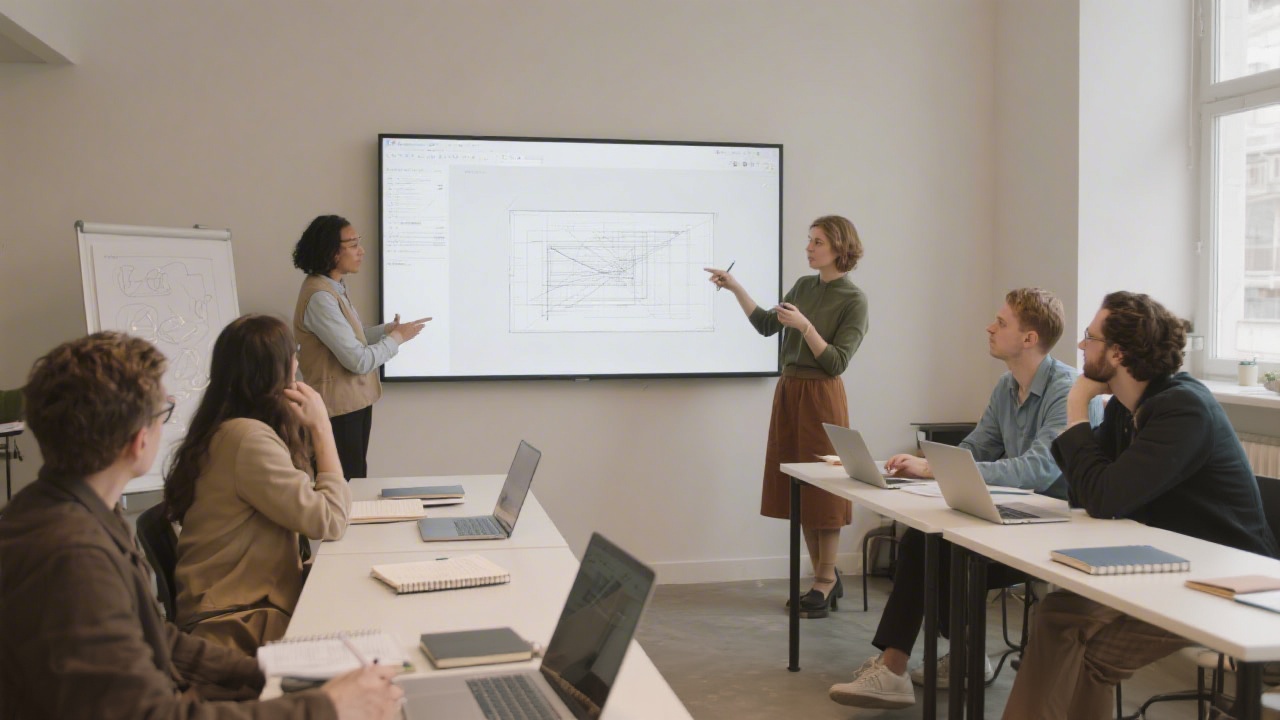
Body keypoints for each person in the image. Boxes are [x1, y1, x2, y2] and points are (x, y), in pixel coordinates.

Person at [0, 331, 402, 719]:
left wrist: (272, 670)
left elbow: (161, 640)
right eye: (164, 411)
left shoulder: (72, 513)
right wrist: (327, 708)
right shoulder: (72, 557)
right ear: (139, 441)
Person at [1001, 291, 1278, 719]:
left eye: (1089, 337)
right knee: (1057, 615)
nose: (1080, 346)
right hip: (1165, 568)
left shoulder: (1183, 409)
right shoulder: (1125, 409)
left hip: (1223, 581)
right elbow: (1087, 493)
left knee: (1100, 655)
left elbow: (1104, 497)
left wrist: (1076, 406)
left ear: (1117, 353)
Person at [828, 287, 1094, 710]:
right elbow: (977, 447)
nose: (990, 327)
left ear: (1028, 338)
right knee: (926, 539)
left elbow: (1040, 469)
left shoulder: (1066, 390)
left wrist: (937, 470)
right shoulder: (1008, 387)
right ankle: (929, 663)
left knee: (935, 548)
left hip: (1055, 530)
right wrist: (922, 462)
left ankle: (919, 665)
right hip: (1015, 519)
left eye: (1002, 322)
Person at [706, 215, 869, 620]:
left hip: (821, 396)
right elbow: (766, 325)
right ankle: (823, 575)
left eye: (817, 242)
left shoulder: (854, 299)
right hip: (790, 392)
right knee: (799, 487)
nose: (809, 248)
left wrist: (806, 326)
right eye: (809, 240)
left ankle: (825, 581)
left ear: (839, 248)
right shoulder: (803, 286)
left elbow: (836, 361)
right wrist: (735, 288)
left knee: (824, 491)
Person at [166, 315, 352, 655]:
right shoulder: (247, 440)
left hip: (239, 610)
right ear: (275, 370)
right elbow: (330, 520)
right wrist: (322, 427)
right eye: (293, 353)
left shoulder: (231, 429)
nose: (297, 362)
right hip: (238, 625)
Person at [292, 214, 429, 479]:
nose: (361, 251)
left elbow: (354, 337)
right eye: (353, 244)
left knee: (354, 477)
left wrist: (387, 330)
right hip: (338, 410)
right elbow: (358, 360)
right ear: (332, 252)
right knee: (346, 484)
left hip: (351, 405)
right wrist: (396, 339)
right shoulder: (321, 296)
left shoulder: (332, 287)